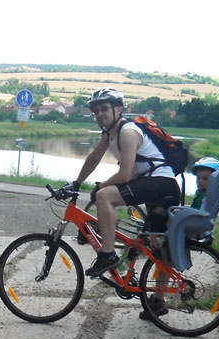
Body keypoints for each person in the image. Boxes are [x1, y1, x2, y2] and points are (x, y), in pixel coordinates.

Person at [68, 87, 182, 281]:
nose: (99, 114)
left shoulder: (128, 132)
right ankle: (157, 297)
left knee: (104, 196)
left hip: (161, 184)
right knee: (157, 244)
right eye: (96, 111)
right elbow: (94, 157)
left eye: (104, 108)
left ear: (118, 109)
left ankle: (108, 254)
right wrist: (76, 183)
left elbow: (124, 176)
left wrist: (100, 186)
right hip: (154, 184)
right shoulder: (109, 134)